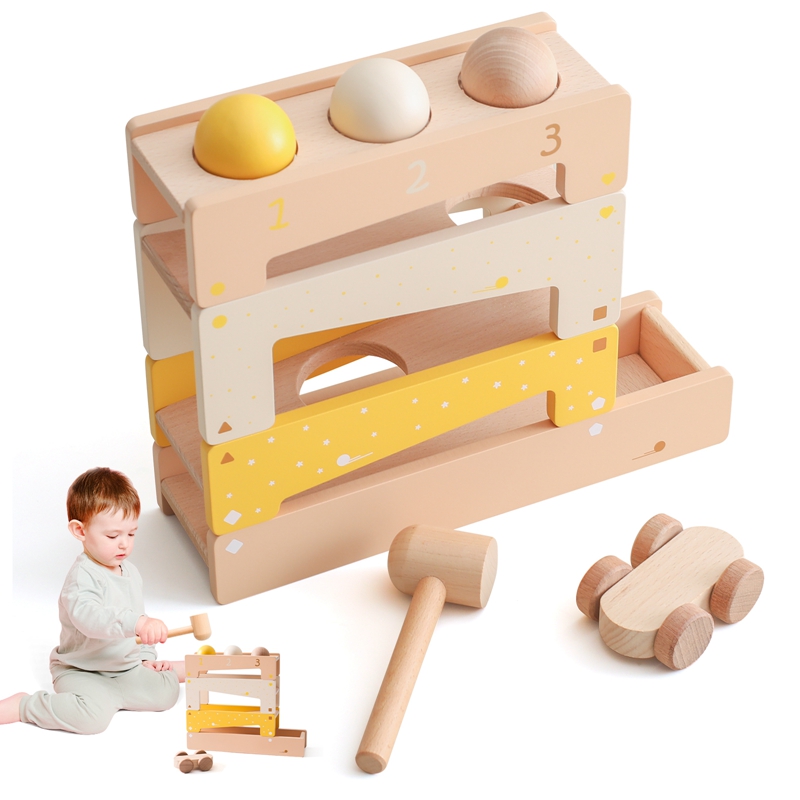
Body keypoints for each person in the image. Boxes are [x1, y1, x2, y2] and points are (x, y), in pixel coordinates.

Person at [0, 467, 183, 732]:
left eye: (131, 533)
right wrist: (137, 622)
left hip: (125, 668)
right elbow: (92, 619)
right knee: (92, 720)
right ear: (80, 530)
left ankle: (166, 671)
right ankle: (23, 706)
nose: (124, 544)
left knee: (167, 695)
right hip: (83, 671)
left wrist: (145, 656)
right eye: (113, 536)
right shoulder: (81, 577)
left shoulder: (131, 572)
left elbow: (137, 624)